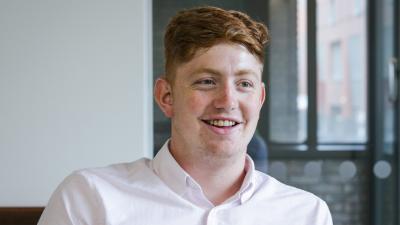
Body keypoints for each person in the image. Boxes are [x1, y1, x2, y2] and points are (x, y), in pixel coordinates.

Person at [38, 6, 333, 225]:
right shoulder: (90, 198)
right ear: (166, 97)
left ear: (260, 98)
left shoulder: (307, 214)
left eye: (244, 84)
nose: (228, 101)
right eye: (207, 81)